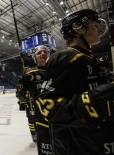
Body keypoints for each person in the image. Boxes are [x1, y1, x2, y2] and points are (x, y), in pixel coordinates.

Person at [37, 9, 114, 154]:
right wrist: (97, 103)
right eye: (94, 23)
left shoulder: (90, 59)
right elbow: (48, 106)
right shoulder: (66, 57)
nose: (99, 27)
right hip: (78, 147)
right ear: (77, 27)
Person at [16, 45, 52, 154]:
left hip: (59, 117)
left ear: (49, 55)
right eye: (39, 53)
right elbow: (20, 92)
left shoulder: (58, 71)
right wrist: (23, 93)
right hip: (41, 119)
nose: (42, 54)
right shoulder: (31, 74)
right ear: (35, 58)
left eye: (45, 51)